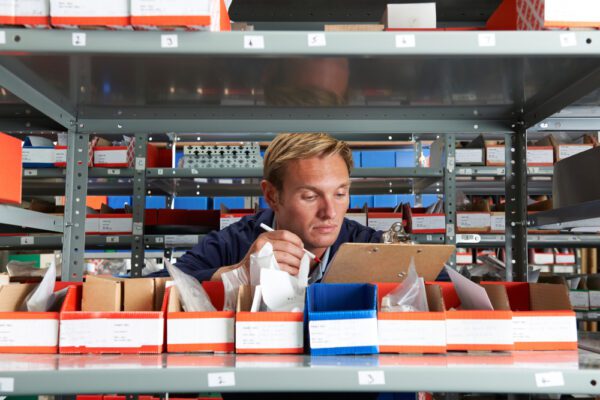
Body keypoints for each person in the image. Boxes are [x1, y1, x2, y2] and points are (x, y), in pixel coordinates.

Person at [174, 132, 382, 284]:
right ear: (272, 196)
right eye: (310, 196)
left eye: (340, 194)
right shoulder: (237, 242)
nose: (330, 212)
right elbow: (152, 286)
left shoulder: (369, 246)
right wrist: (239, 274)